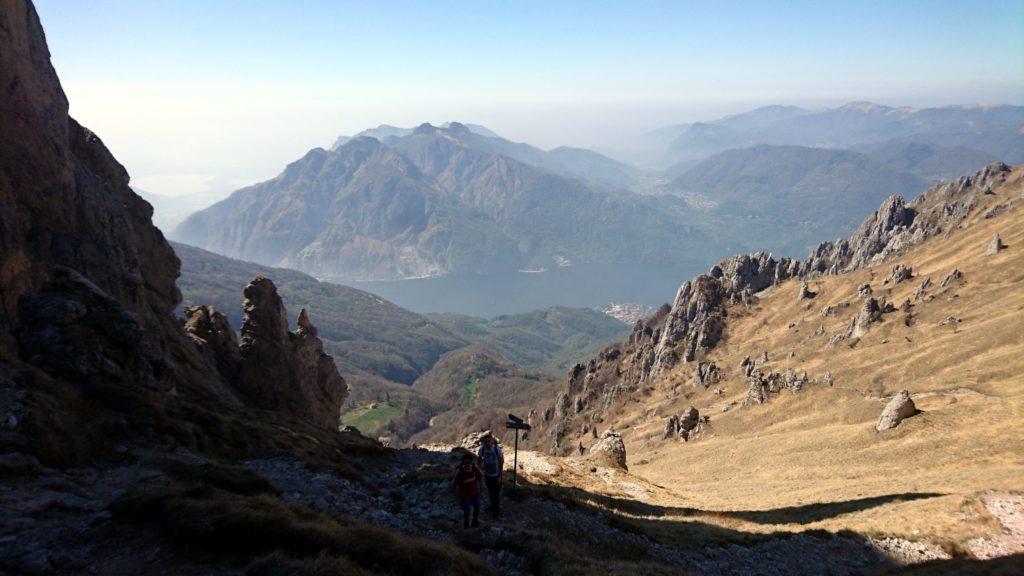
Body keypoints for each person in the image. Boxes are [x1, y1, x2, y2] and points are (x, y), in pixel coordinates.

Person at [450, 452, 483, 528]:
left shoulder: (475, 468)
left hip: (474, 494)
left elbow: (481, 479)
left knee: (477, 507)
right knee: (467, 510)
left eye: (468, 462)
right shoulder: (460, 471)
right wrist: (457, 499)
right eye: (464, 463)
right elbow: (453, 485)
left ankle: (474, 520)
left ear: (471, 462)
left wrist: (481, 491)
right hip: (464, 496)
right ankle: (466, 524)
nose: (466, 464)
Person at [477, 433, 504, 518]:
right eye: (485, 441)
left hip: (496, 475)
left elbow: (501, 461)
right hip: (487, 474)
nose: (487, 443)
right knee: (490, 492)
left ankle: (496, 512)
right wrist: (480, 469)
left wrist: (500, 475)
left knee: (495, 494)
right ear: (483, 442)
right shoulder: (482, 449)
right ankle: (493, 507)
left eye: (488, 441)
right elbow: (479, 459)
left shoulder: (496, 449)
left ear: (491, 441)